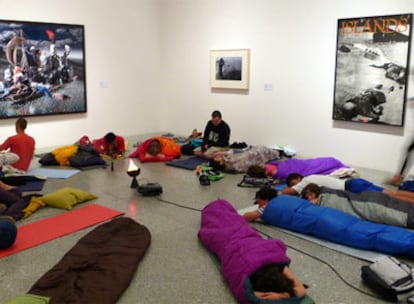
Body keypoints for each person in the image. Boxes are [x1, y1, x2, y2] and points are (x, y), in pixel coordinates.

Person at [199, 199, 307, 303]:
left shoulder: (276, 267)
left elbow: (245, 296)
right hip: (245, 236)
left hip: (233, 240)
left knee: (223, 223)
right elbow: (301, 291)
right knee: (233, 220)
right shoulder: (277, 266)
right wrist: (284, 295)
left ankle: (219, 210)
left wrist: (281, 295)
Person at [300, 183, 414, 228]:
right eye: (307, 197)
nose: (310, 198)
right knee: (396, 200)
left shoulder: (325, 197)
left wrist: (317, 202)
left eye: (310, 195)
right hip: (369, 198)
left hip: (370, 204)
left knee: (403, 214)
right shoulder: (329, 191)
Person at [282, 173, 414, 204]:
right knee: (392, 192)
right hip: (354, 182)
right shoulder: (314, 176)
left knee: (389, 196)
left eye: (294, 183)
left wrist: (288, 186)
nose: (295, 187)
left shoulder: (305, 181)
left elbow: (284, 192)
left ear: (298, 178)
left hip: (353, 187)